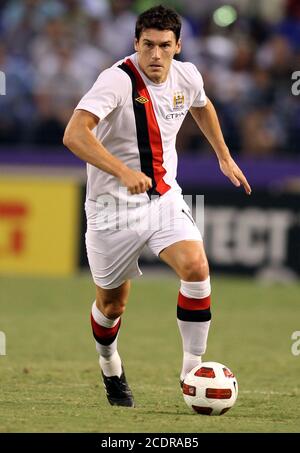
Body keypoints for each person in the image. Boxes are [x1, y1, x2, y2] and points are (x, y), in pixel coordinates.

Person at [63, 5, 251, 408]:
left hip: (163, 200)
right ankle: (109, 363)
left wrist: (223, 155)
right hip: (110, 210)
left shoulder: (188, 74)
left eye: (164, 46)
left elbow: (201, 105)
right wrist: (120, 170)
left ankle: (191, 371)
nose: (155, 55)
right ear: (136, 43)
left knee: (197, 268)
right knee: (112, 305)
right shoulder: (115, 80)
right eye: (147, 44)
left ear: (177, 45)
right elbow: (74, 134)